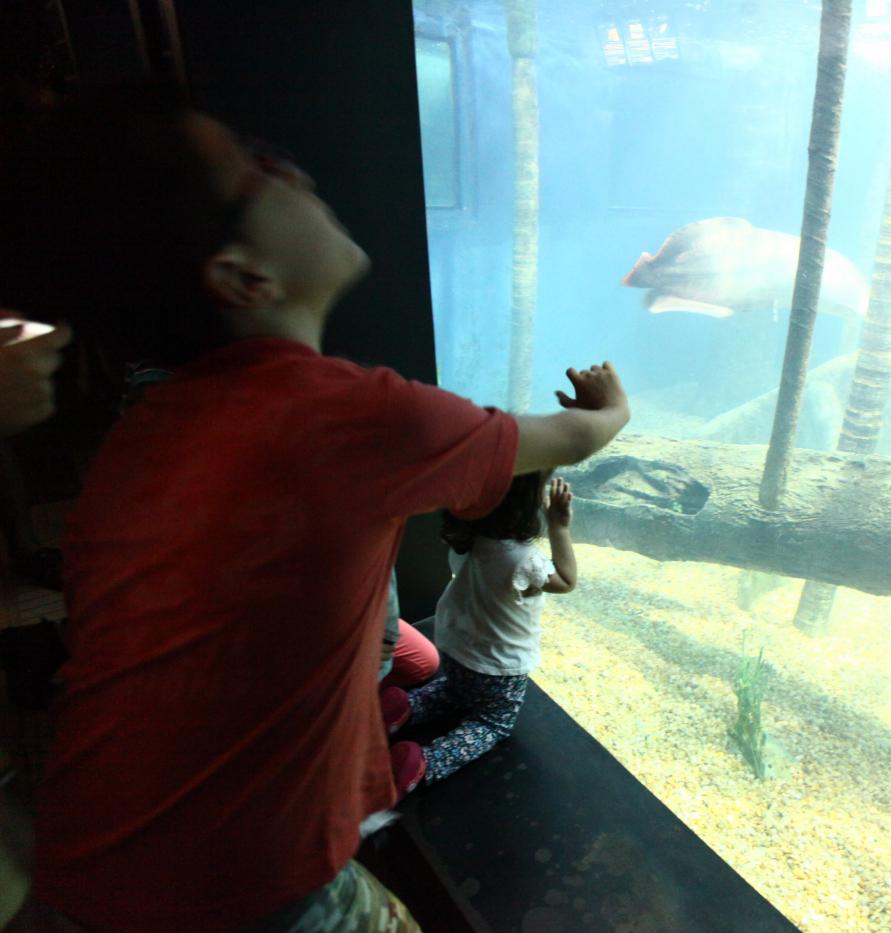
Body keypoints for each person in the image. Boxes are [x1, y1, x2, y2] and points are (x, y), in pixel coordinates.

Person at [0, 88, 630, 931]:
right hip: (241, 885)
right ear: (242, 276)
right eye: (257, 166)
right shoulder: (355, 419)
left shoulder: (140, 439)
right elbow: (574, 437)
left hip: (81, 871)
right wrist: (613, 408)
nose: (289, 164)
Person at [385, 474, 576, 797]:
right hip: (497, 667)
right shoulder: (525, 560)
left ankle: (402, 708)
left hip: (456, 648)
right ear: (525, 507)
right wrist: (559, 526)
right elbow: (567, 581)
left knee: (457, 691)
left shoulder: (466, 535)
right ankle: (423, 762)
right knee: (492, 721)